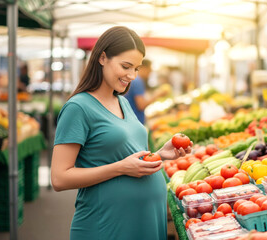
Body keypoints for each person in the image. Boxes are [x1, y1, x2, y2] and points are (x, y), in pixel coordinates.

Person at [50, 26, 192, 240]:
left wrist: (159, 155)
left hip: (145, 220)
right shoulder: (78, 108)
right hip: (107, 224)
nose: (132, 75)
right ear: (102, 58)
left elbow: (126, 154)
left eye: (136, 68)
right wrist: (121, 168)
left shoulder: (123, 102)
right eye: (126, 66)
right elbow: (59, 178)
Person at [124, 59, 167, 124]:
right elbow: (141, 105)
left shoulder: (135, 80)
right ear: (143, 68)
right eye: (149, 69)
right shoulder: (138, 81)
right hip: (135, 121)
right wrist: (157, 95)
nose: (150, 72)